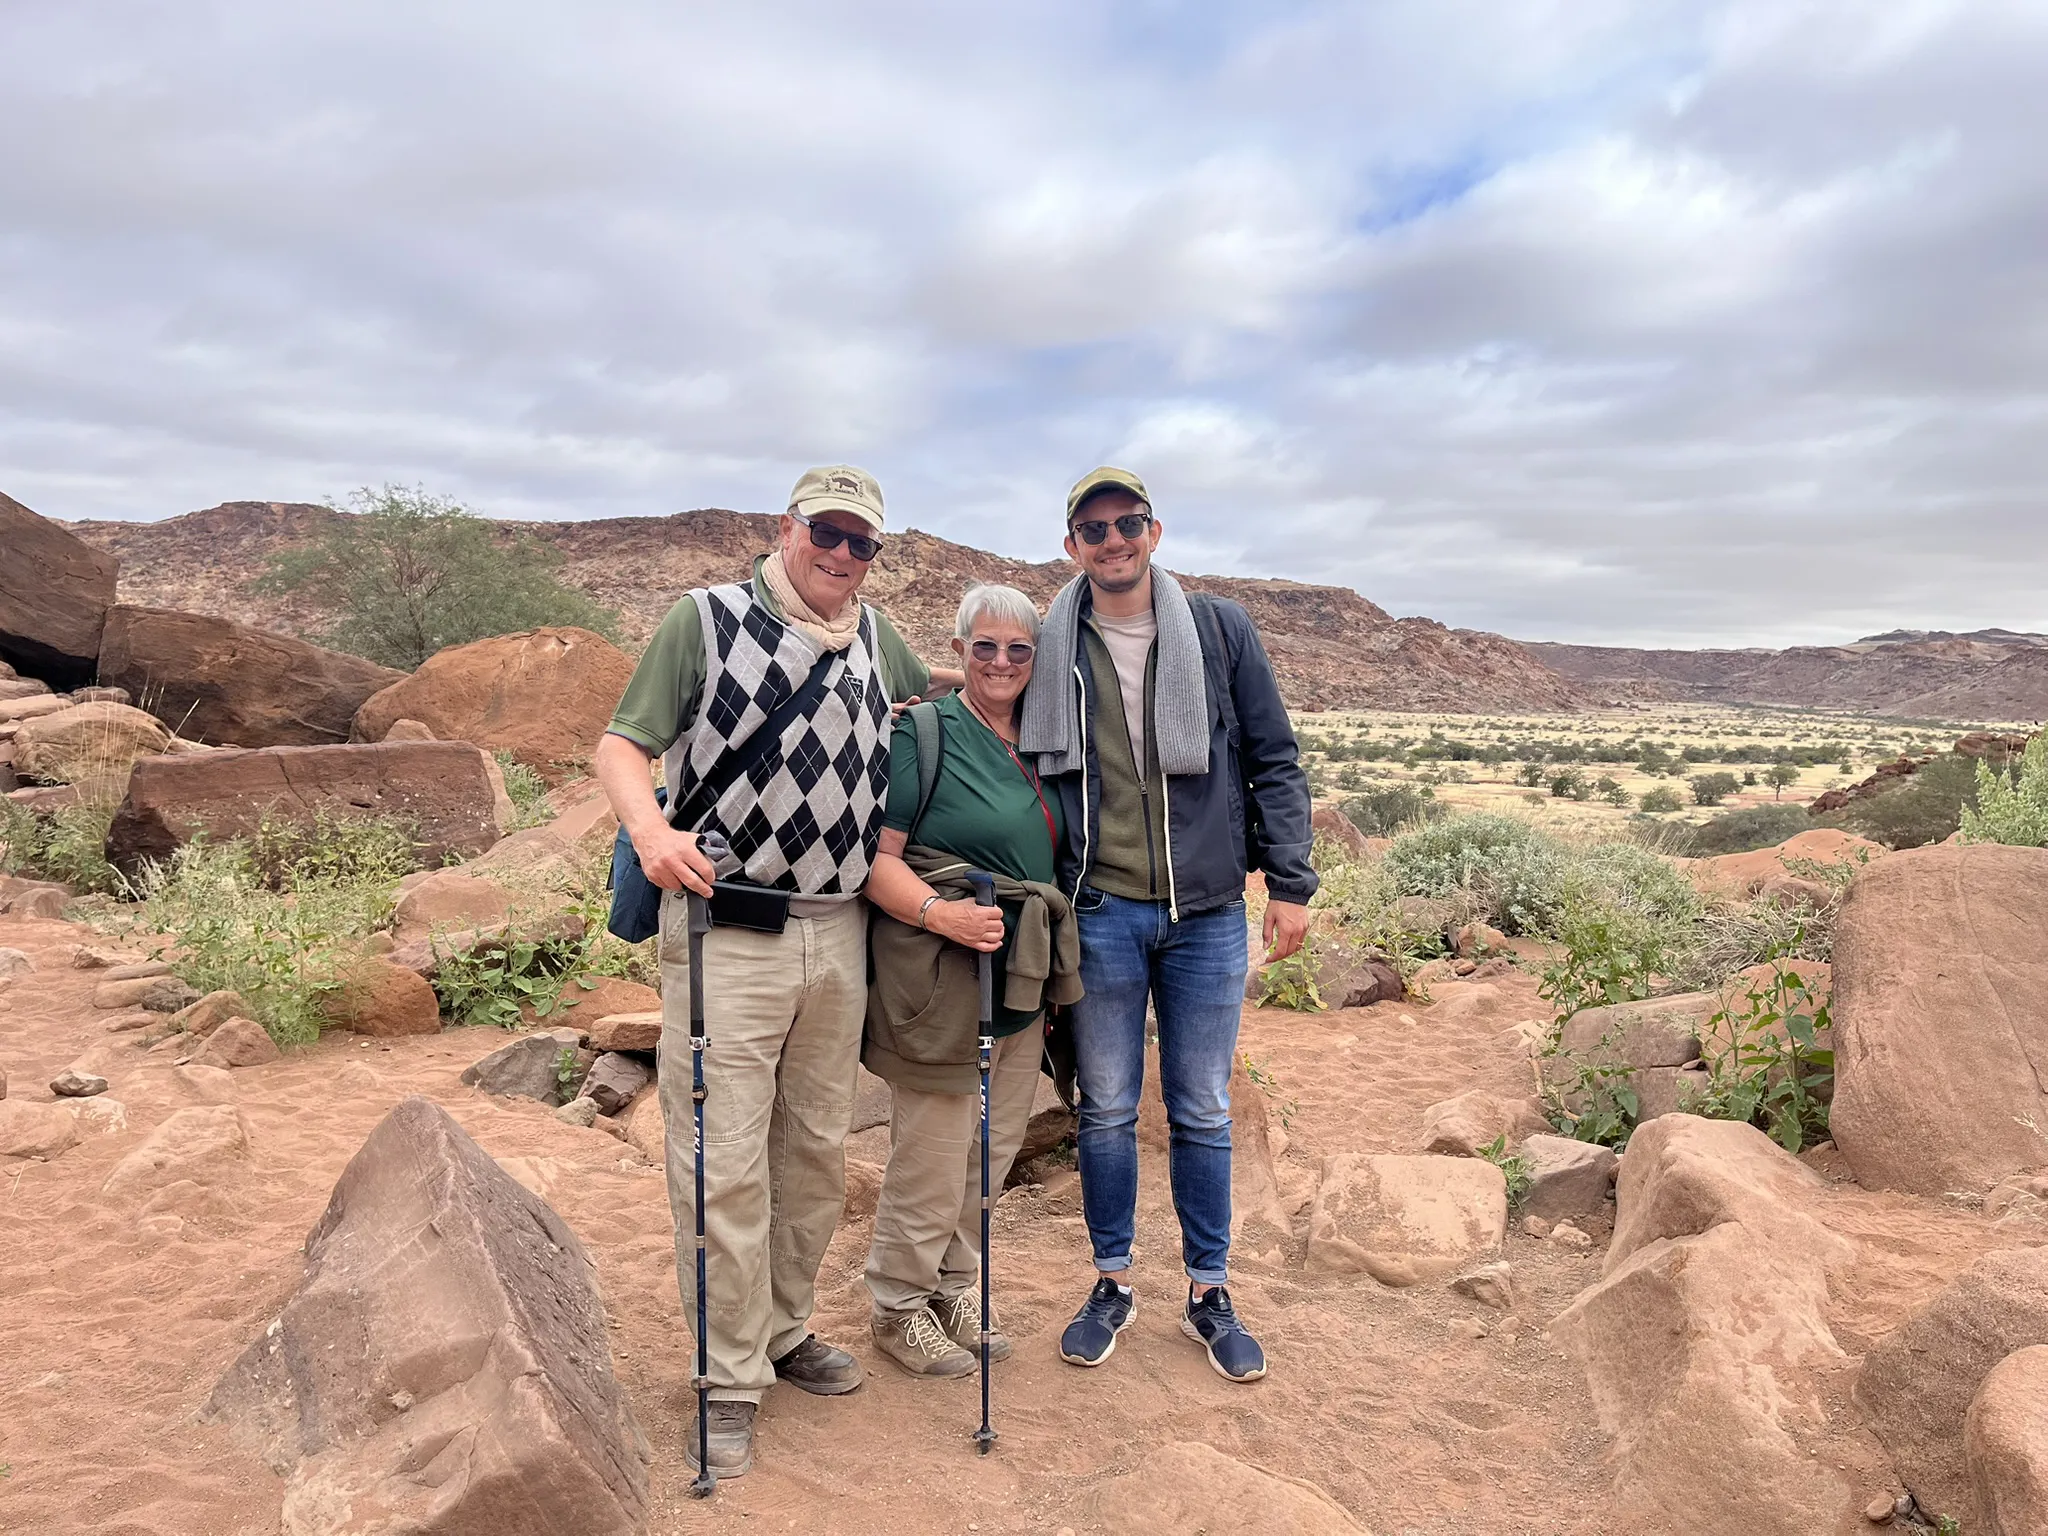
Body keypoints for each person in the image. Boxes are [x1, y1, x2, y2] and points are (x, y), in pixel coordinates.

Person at [594, 465, 948, 1479]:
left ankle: (784, 1329)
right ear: (783, 528)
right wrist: (650, 830)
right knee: (718, 1159)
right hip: (725, 927)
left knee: (814, 1154)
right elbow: (622, 744)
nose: (840, 556)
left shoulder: (877, 637)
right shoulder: (700, 622)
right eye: (825, 535)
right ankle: (724, 1376)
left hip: (839, 930)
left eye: (860, 543)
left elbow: (934, 712)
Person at [1019, 465, 1316, 1384]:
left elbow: (1272, 755)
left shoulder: (1219, 631)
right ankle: (1111, 1281)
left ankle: (1208, 1292)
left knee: (1202, 1109)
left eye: (1128, 523)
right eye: (1094, 529)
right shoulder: (1050, 641)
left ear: (1156, 531)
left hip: (1210, 914)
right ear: (1072, 546)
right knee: (1104, 1107)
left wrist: (1292, 883)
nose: (1113, 541)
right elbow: (988, 697)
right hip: (1102, 908)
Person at [861, 583, 1082, 1377]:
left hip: (1018, 976)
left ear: (1037, 658)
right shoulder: (925, 734)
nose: (1000, 662)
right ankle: (896, 1304)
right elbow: (876, 863)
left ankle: (954, 1285)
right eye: (982, 647)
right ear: (957, 652)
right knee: (934, 1145)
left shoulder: (1047, 738)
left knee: (990, 1147)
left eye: (1018, 649)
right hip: (941, 970)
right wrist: (940, 915)